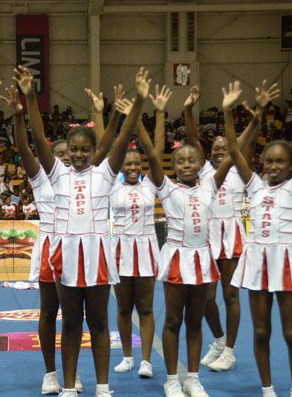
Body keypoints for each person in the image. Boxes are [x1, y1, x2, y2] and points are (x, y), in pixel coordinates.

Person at [21, 65, 150, 397]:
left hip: (97, 257)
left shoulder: (105, 174)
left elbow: (121, 138)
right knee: (71, 324)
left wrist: (137, 101)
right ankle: (67, 385)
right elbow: (37, 138)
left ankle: (103, 386)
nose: (78, 155)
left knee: (99, 324)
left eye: (84, 150)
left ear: (94, 152)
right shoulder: (57, 174)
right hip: (67, 257)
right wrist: (31, 97)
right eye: (74, 150)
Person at [9, 72, 121, 395]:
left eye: (66, 153)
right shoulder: (45, 177)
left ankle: (84, 379)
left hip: (83, 249)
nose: (63, 158)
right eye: (60, 154)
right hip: (53, 249)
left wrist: (105, 114)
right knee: (50, 312)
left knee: (89, 319)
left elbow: (102, 149)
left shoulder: (83, 175)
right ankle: (52, 373)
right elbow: (31, 142)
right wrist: (27, 104)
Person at [227, 73, 292, 397]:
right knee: (261, 330)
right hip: (256, 261)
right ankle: (267, 389)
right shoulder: (253, 185)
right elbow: (235, 152)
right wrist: (232, 114)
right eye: (268, 160)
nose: (272, 165)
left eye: (280, 161)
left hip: (284, 260)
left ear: (291, 164)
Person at [185, 85, 265, 373]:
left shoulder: (240, 169)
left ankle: (229, 350)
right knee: (205, 299)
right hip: (208, 236)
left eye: (224, 147)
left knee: (231, 296)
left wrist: (258, 117)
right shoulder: (205, 170)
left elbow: (250, 142)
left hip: (231, 235)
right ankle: (218, 341)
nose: (220, 151)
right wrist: (188, 109)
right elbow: (192, 138)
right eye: (216, 148)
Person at [110, 85, 172, 379]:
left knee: (145, 307)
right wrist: (112, 114)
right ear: (121, 165)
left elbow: (155, 151)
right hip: (120, 251)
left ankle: (146, 361)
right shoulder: (111, 185)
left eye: (137, 164)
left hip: (147, 250)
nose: (133, 167)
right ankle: (127, 356)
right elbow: (110, 144)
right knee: (123, 308)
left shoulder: (150, 184)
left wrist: (159, 113)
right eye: (128, 163)